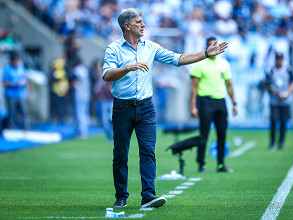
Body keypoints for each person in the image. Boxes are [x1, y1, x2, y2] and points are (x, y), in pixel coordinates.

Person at [102, 8, 228, 209]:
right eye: (138, 22)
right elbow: (107, 75)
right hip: (122, 108)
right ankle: (121, 196)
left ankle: (148, 196)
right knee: (120, 154)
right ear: (127, 26)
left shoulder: (150, 47)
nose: (143, 25)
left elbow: (178, 59)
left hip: (146, 108)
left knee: (148, 152)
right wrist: (128, 67)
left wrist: (205, 54)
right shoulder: (113, 49)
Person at [190, 37, 237, 174]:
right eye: (211, 45)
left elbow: (229, 85)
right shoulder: (200, 64)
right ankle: (201, 164)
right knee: (203, 134)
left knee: (222, 134)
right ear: (207, 47)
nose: (213, 47)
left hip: (220, 102)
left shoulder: (224, 64)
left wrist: (234, 103)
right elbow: (194, 87)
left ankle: (221, 164)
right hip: (205, 102)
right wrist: (193, 106)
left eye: (215, 45)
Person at [265, 52, 293, 150]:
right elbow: (266, 83)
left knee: (283, 121)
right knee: (273, 120)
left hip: (285, 101)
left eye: (280, 59)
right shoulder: (271, 70)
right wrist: (271, 88)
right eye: (277, 59)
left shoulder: (288, 69)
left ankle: (281, 142)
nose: (279, 61)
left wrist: (286, 93)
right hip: (274, 101)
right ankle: (272, 142)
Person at [2, 52, 29, 129]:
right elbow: (4, 81)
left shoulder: (21, 68)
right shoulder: (7, 69)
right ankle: (12, 127)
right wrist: (13, 84)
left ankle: (25, 127)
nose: (16, 62)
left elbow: (26, 79)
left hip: (21, 94)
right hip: (11, 95)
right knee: (12, 112)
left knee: (24, 111)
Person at [72, 57, 91, 138]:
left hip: (79, 94)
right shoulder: (85, 70)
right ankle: (85, 130)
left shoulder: (76, 70)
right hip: (86, 94)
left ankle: (81, 132)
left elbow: (74, 82)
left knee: (80, 113)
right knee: (85, 113)